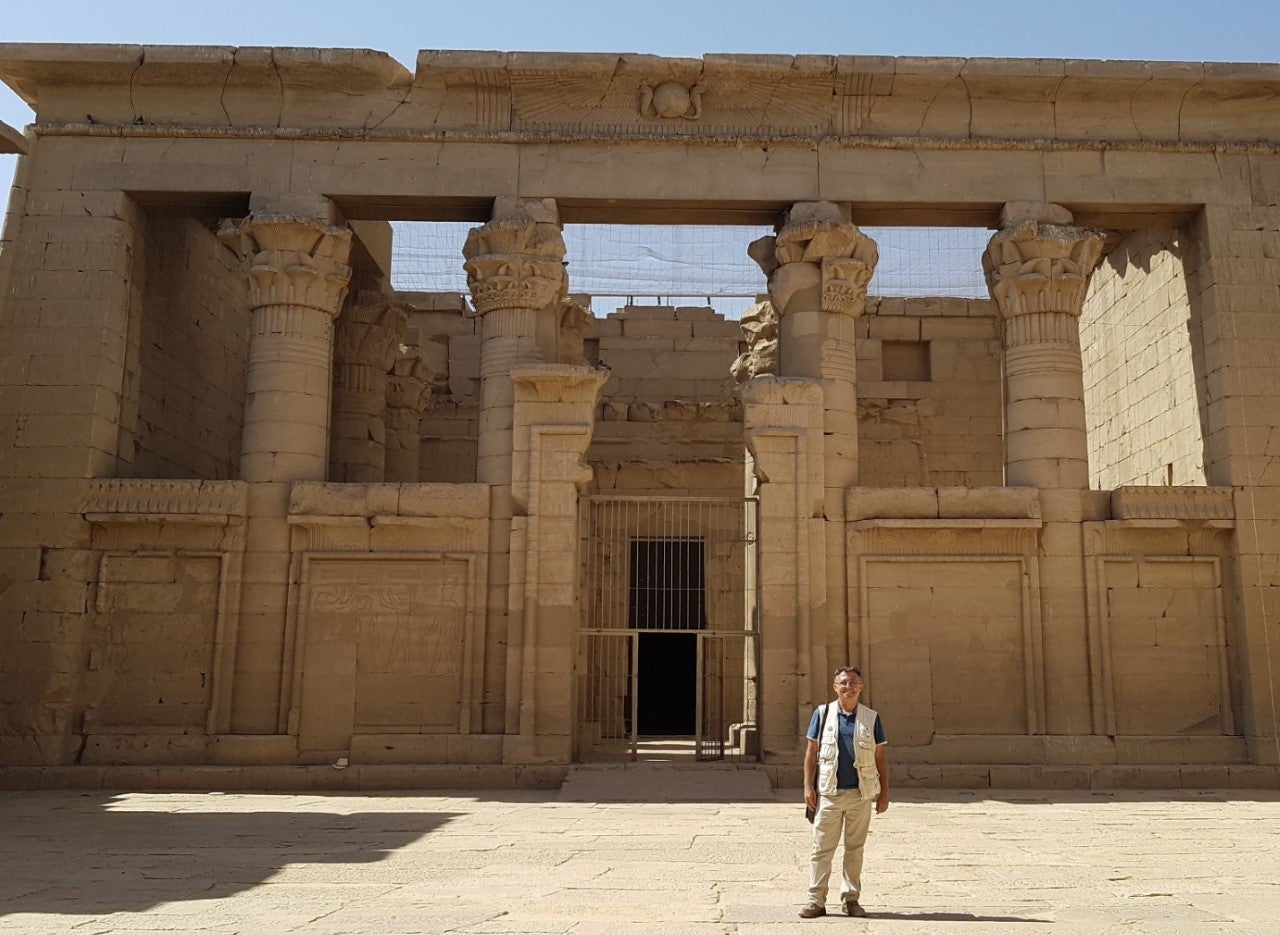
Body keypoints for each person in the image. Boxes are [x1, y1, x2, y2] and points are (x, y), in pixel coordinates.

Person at [799, 666, 889, 919]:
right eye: (843, 683)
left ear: (860, 687)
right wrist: (808, 786)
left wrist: (884, 793)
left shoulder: (871, 718)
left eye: (852, 683)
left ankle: (851, 899)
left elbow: (881, 756)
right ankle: (815, 900)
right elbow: (811, 751)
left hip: (860, 794)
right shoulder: (822, 713)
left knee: (855, 849)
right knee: (821, 848)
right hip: (829, 792)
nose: (848, 687)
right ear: (835, 687)